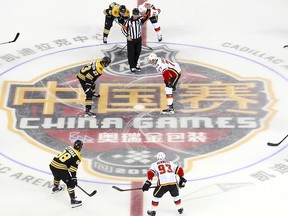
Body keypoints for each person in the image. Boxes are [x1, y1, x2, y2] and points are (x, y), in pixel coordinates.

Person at [49, 140, 84, 208]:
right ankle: (73, 201)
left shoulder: (69, 147)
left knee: (57, 176)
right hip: (60, 168)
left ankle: (56, 188)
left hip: (52, 165)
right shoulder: (78, 156)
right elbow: (73, 169)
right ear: (80, 147)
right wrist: (74, 178)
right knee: (70, 184)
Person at [122, 8, 145, 73]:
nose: (136, 16)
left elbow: (147, 16)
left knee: (138, 52)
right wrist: (127, 35)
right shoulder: (128, 21)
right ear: (132, 14)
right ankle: (132, 66)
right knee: (131, 53)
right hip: (131, 40)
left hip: (138, 39)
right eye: (134, 14)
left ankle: (135, 64)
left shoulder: (140, 20)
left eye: (137, 14)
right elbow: (123, 29)